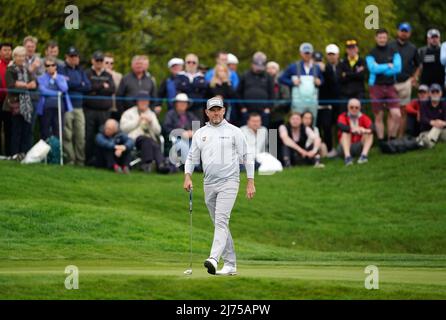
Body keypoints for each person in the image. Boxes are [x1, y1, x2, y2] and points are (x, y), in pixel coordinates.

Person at [183, 96, 255, 276]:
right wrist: (188, 176)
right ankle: (230, 264)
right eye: (212, 110)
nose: (215, 113)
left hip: (229, 181)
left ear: (223, 111)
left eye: (218, 110)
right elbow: (192, 157)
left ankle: (213, 258)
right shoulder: (200, 133)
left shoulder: (234, 131)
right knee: (219, 224)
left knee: (221, 221)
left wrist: (250, 182)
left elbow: (247, 156)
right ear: (207, 112)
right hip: (208, 183)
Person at [366, 28, 402, 144]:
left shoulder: (394, 51)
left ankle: (391, 139)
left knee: (396, 114)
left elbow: (397, 68)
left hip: (391, 85)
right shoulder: (371, 53)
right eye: (380, 37)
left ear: (387, 38)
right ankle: (381, 141)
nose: (382, 39)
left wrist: (380, 68)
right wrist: (388, 65)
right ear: (376, 38)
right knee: (379, 116)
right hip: (376, 86)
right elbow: (372, 68)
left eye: (384, 37)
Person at [59, 46, 91, 165]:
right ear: (66, 57)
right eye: (71, 56)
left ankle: (80, 160)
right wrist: (79, 84)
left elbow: (88, 86)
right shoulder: (61, 69)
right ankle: (70, 160)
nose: (74, 59)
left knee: (80, 135)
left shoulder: (81, 71)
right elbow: (65, 85)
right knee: (67, 134)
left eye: (76, 56)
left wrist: (74, 84)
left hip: (79, 107)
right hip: (67, 106)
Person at [120, 94, 169, 173]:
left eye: (146, 101)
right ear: (137, 102)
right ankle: (150, 163)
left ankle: (158, 165)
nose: (144, 103)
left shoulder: (151, 114)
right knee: (147, 140)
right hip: (133, 139)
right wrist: (138, 121)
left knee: (152, 142)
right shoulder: (128, 113)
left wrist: (151, 122)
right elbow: (123, 128)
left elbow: (158, 131)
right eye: (141, 101)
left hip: (149, 139)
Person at [389, 23, 421, 138]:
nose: (404, 33)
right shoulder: (390, 45)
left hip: (405, 82)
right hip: (391, 82)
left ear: (409, 33)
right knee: (391, 111)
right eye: (402, 30)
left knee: (403, 111)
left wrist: (414, 78)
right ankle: (390, 138)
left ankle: (400, 137)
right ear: (398, 32)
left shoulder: (412, 48)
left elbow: (418, 65)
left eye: (406, 31)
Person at [4, 46, 37, 157]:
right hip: (14, 104)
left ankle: (24, 154)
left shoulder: (26, 69)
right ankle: (15, 154)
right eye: (20, 56)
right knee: (16, 131)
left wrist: (22, 84)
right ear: (15, 56)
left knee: (26, 130)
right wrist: (26, 85)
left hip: (27, 105)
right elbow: (11, 86)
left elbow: (34, 84)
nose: (22, 58)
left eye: (24, 56)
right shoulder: (10, 70)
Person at [84, 51, 116, 166]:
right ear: (92, 60)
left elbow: (112, 89)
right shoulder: (87, 73)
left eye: (101, 61)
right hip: (90, 110)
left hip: (104, 111)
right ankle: (88, 160)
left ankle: (101, 161)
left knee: (104, 134)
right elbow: (87, 88)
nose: (99, 63)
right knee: (89, 135)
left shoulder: (108, 75)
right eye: (97, 60)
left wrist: (95, 89)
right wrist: (102, 86)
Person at [279, 42, 323, 123]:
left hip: (312, 101)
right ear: (301, 53)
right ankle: (274, 136)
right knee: (294, 123)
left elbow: (322, 80)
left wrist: (319, 82)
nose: (307, 55)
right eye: (305, 53)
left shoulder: (316, 68)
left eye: (308, 53)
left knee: (312, 122)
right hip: (297, 102)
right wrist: (292, 82)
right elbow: (281, 79)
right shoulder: (293, 67)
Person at [36, 57, 73, 140]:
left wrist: (55, 78)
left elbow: (64, 89)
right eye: (47, 65)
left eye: (52, 65)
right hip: (46, 108)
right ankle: (45, 152)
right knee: (45, 131)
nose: (50, 67)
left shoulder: (61, 78)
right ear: (45, 67)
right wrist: (57, 93)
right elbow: (43, 91)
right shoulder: (41, 78)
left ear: (56, 66)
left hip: (59, 107)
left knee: (58, 131)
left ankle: (57, 151)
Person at [238, 52, 274, 128]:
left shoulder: (268, 77)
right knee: (244, 132)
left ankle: (271, 140)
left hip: (264, 112)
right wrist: (242, 108)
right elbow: (238, 93)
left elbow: (272, 94)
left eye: (261, 66)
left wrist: (268, 108)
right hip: (247, 111)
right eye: (257, 66)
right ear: (252, 64)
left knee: (271, 131)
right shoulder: (244, 75)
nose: (258, 69)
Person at [318, 44, 342, 157]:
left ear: (338, 55)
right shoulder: (324, 68)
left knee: (340, 125)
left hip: (340, 101)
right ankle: (329, 149)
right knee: (326, 126)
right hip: (327, 103)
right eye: (329, 54)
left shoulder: (343, 66)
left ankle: (342, 148)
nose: (331, 57)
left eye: (333, 54)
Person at [163, 93, 199, 166]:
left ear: (187, 104)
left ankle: (197, 165)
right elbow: (166, 128)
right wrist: (181, 133)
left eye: (184, 102)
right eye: (180, 102)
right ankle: (189, 165)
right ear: (176, 104)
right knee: (182, 145)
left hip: (190, 139)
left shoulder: (190, 115)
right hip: (175, 140)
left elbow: (198, 126)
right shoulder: (170, 114)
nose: (182, 104)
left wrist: (192, 132)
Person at [337, 98, 374, 165]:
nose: (354, 109)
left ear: (359, 108)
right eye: (352, 107)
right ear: (348, 107)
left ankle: (363, 156)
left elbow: (372, 127)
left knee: (369, 133)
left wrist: (364, 130)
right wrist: (354, 130)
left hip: (358, 145)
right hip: (344, 147)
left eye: (356, 108)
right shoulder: (343, 116)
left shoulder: (363, 117)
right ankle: (347, 158)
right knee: (346, 133)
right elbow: (341, 126)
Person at [175, 53, 207, 123]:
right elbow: (178, 88)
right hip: (183, 109)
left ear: (197, 64)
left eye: (193, 62)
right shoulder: (179, 76)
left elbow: (203, 92)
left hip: (197, 109)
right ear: (185, 64)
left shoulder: (202, 77)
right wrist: (195, 87)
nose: (191, 64)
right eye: (188, 62)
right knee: (182, 130)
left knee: (196, 130)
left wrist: (187, 86)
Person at [416, 84, 446, 148]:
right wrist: (432, 122)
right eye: (433, 92)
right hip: (427, 130)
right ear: (429, 94)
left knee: (439, 128)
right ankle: (428, 142)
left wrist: (442, 123)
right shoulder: (423, 104)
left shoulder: (444, 104)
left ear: (441, 93)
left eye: (437, 92)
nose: (435, 94)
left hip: (442, 130)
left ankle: (427, 141)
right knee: (436, 127)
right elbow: (422, 119)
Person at [339, 39, 366, 108]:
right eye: (349, 49)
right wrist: (355, 73)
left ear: (357, 49)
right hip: (345, 94)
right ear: (346, 50)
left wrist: (347, 74)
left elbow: (362, 76)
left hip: (359, 94)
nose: (352, 50)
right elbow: (341, 78)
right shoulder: (342, 62)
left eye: (353, 48)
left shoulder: (362, 61)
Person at [266, 61, 290, 129]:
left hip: (276, 117)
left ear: (277, 70)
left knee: (272, 138)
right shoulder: (262, 82)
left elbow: (286, 99)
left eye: (273, 68)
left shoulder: (282, 83)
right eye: (268, 68)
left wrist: (272, 106)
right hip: (262, 116)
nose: (270, 70)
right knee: (261, 137)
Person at [0, 42, 13, 156]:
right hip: (0, 101)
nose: (7, 52)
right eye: (5, 50)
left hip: (10, 103)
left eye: (9, 50)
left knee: (9, 130)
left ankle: (9, 155)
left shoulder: (13, 65)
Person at [104, 53, 122, 120]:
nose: (109, 65)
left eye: (111, 63)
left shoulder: (119, 76)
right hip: (103, 107)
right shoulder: (99, 75)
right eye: (107, 63)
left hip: (115, 107)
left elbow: (119, 90)